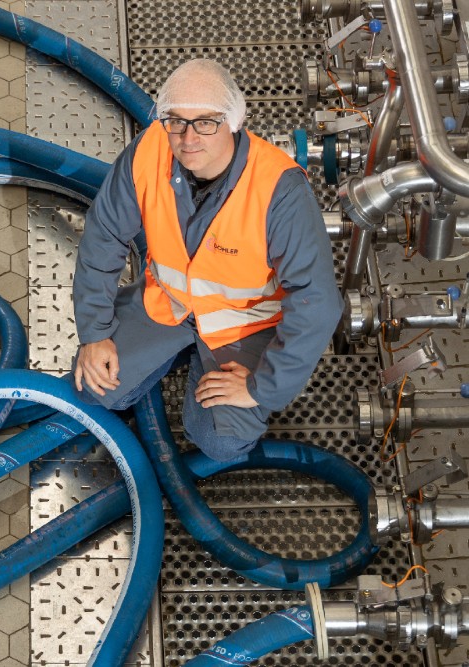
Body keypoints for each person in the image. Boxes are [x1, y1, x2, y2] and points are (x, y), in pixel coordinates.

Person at [73, 59, 341, 460]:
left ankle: (186, 365)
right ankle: (168, 354)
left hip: (246, 326)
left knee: (220, 442)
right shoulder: (148, 152)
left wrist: (261, 387)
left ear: (233, 121)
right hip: (166, 307)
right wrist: (95, 334)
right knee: (93, 388)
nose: (187, 137)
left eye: (206, 122)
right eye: (175, 121)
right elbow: (103, 237)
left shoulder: (278, 189)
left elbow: (316, 302)